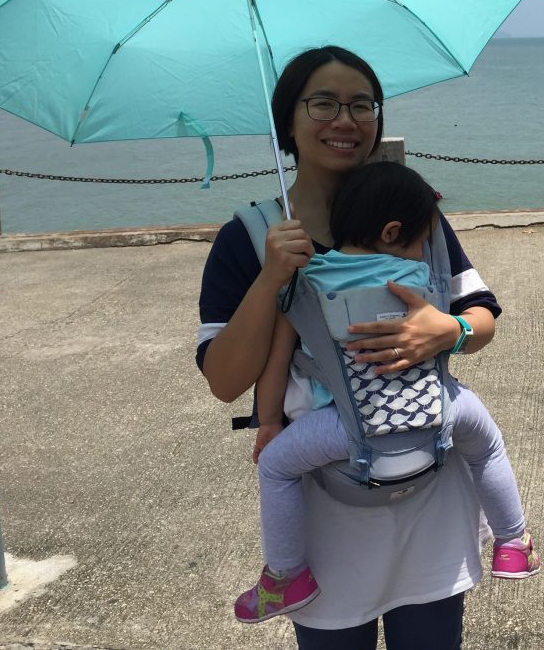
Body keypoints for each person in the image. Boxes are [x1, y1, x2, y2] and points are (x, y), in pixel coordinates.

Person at [197, 46, 518, 649]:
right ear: (287, 120)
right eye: (323, 103)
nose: (345, 120)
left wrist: (451, 330)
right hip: (328, 510)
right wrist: (270, 279)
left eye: (362, 105)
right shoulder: (248, 237)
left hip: (431, 488)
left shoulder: (415, 214)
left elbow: (482, 316)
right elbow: (223, 380)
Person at [234, 161, 539, 625]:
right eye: (421, 241)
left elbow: (276, 365)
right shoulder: (419, 276)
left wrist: (271, 422)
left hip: (346, 427)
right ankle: (513, 543)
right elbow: (475, 318)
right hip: (437, 410)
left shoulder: (305, 282)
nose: (423, 250)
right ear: (393, 232)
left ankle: (286, 575)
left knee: (277, 467)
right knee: (489, 446)